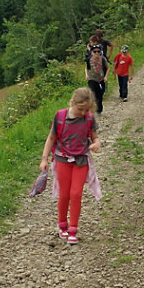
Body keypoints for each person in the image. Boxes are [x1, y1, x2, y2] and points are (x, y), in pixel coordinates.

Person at [39, 87, 102, 245]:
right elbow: (51, 138)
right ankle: (63, 226)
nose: (83, 113)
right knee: (64, 194)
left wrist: (96, 144)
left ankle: (73, 229)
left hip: (81, 160)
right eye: (81, 109)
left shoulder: (89, 118)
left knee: (76, 194)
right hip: (62, 159)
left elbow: (95, 137)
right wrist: (44, 159)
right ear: (73, 103)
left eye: (87, 110)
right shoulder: (60, 116)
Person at [85, 45, 109, 115]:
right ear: (92, 52)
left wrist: (106, 77)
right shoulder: (89, 60)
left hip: (101, 79)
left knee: (100, 95)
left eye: (98, 51)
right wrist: (86, 75)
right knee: (93, 94)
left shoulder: (103, 59)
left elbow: (107, 68)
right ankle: (92, 108)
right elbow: (87, 68)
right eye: (95, 51)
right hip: (92, 79)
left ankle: (99, 110)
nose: (97, 53)